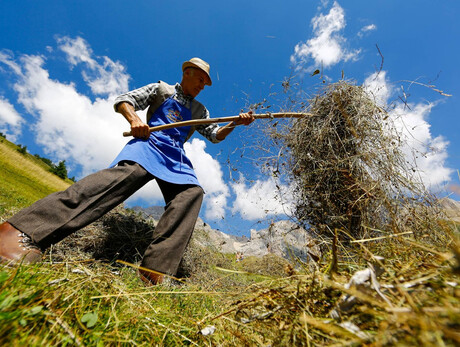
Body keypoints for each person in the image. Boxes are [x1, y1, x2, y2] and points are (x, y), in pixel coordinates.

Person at [0, 57, 254, 285]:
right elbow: (124, 100)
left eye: (205, 83)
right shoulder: (161, 89)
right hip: (149, 144)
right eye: (199, 79)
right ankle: (20, 232)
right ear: (187, 73)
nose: (201, 86)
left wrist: (234, 123)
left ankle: (156, 271)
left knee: (191, 193)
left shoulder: (201, 111)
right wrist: (135, 120)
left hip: (175, 157)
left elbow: (215, 135)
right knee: (119, 180)